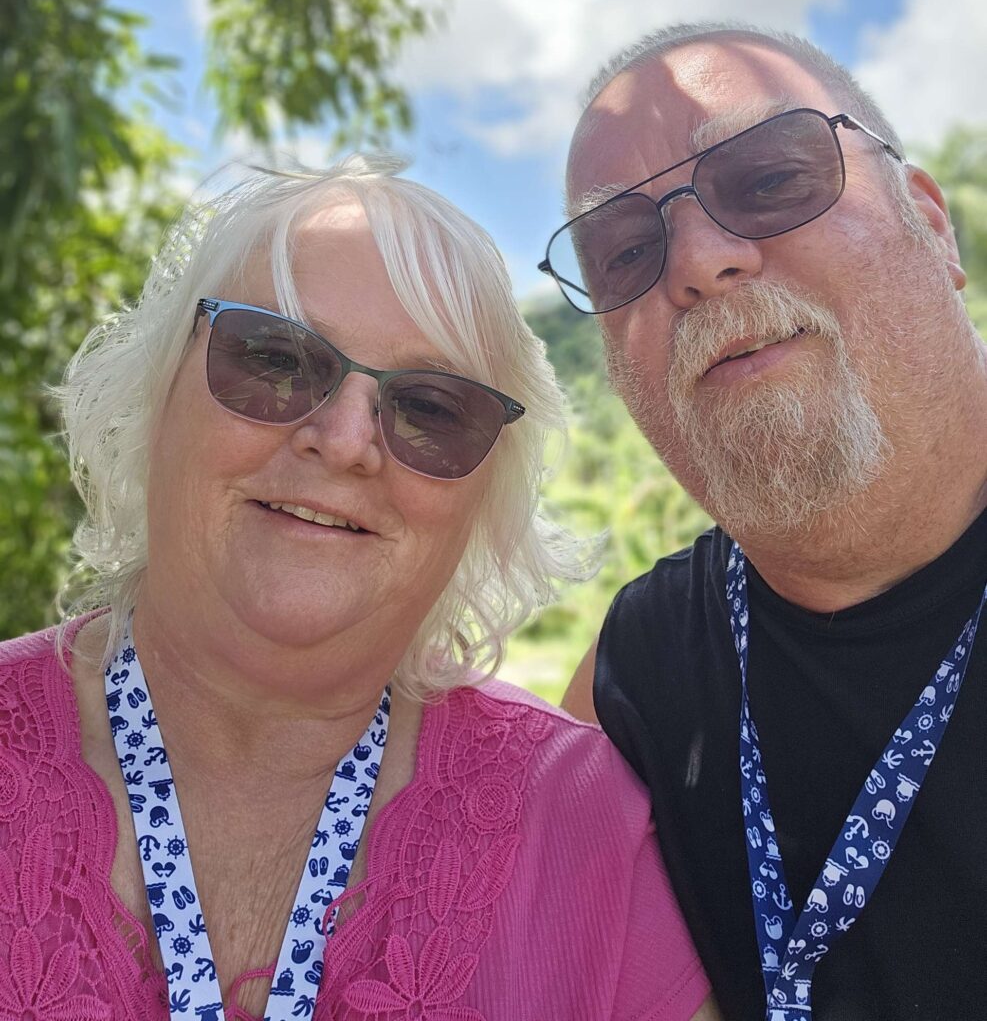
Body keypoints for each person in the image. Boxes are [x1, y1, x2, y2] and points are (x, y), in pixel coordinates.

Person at [0, 156, 715, 1020]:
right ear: (154, 397)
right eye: (272, 358)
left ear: (482, 501)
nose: (343, 442)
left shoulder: (588, 827)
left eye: (431, 410)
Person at [543, 21, 987, 1021]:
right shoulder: (634, 682)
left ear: (932, 223)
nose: (697, 262)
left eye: (771, 180)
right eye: (624, 251)